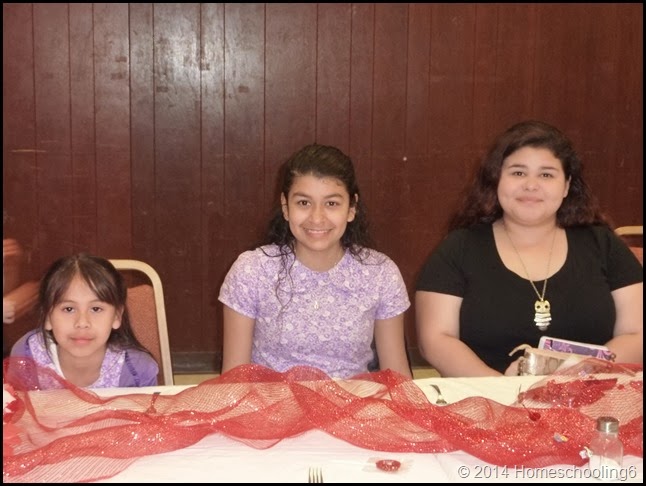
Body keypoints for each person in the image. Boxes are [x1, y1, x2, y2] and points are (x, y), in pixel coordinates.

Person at [415, 120, 643, 377]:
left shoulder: (603, 244)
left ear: (566, 186)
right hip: (487, 395)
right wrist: (504, 390)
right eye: (518, 173)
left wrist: (576, 377)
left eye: (546, 174)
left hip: (592, 392)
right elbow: (435, 339)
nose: (531, 185)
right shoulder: (458, 248)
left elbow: (637, 334)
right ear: (496, 180)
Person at [219, 143, 412, 379]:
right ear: (285, 207)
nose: (317, 218)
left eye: (331, 203)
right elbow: (234, 378)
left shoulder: (380, 274)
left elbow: (397, 376)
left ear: (351, 208)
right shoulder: (252, 271)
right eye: (304, 203)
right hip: (272, 400)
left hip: (353, 399)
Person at [10, 253, 159, 388]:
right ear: (48, 316)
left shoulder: (137, 371)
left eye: (96, 309)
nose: (82, 323)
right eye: (69, 309)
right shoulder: (26, 355)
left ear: (117, 316)